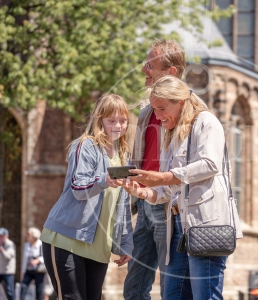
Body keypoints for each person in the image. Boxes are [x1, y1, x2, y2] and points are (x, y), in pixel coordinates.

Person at [118, 76, 243, 299]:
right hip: (178, 227)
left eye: (162, 109)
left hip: (205, 225)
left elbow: (210, 164)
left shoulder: (206, 121)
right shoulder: (171, 134)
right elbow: (168, 190)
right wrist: (140, 191)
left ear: (181, 102)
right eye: (155, 110)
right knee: (172, 295)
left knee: (205, 296)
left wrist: (164, 176)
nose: (157, 116)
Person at [40, 94, 133, 300]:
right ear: (100, 120)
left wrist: (126, 243)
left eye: (123, 120)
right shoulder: (86, 146)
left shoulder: (124, 154)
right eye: (111, 120)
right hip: (66, 239)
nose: (118, 126)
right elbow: (78, 187)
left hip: (98, 248)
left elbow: (122, 203)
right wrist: (104, 180)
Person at [124, 39, 187, 300]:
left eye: (150, 65)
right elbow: (141, 157)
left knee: (171, 289)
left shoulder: (186, 111)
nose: (143, 70)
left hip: (169, 206)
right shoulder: (146, 111)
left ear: (170, 72)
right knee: (134, 288)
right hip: (145, 203)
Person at [0, 227, 16, 300]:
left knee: (10, 291)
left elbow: (8, 256)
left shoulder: (10, 244)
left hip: (8, 271)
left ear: (6, 236)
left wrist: (1, 248)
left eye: (1, 236)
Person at [20, 227, 45, 300]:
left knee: (39, 290)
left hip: (39, 271)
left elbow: (45, 257)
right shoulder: (26, 245)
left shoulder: (41, 244)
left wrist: (37, 260)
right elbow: (24, 260)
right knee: (23, 286)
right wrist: (23, 272)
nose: (26, 235)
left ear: (34, 236)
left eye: (28, 234)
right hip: (29, 270)